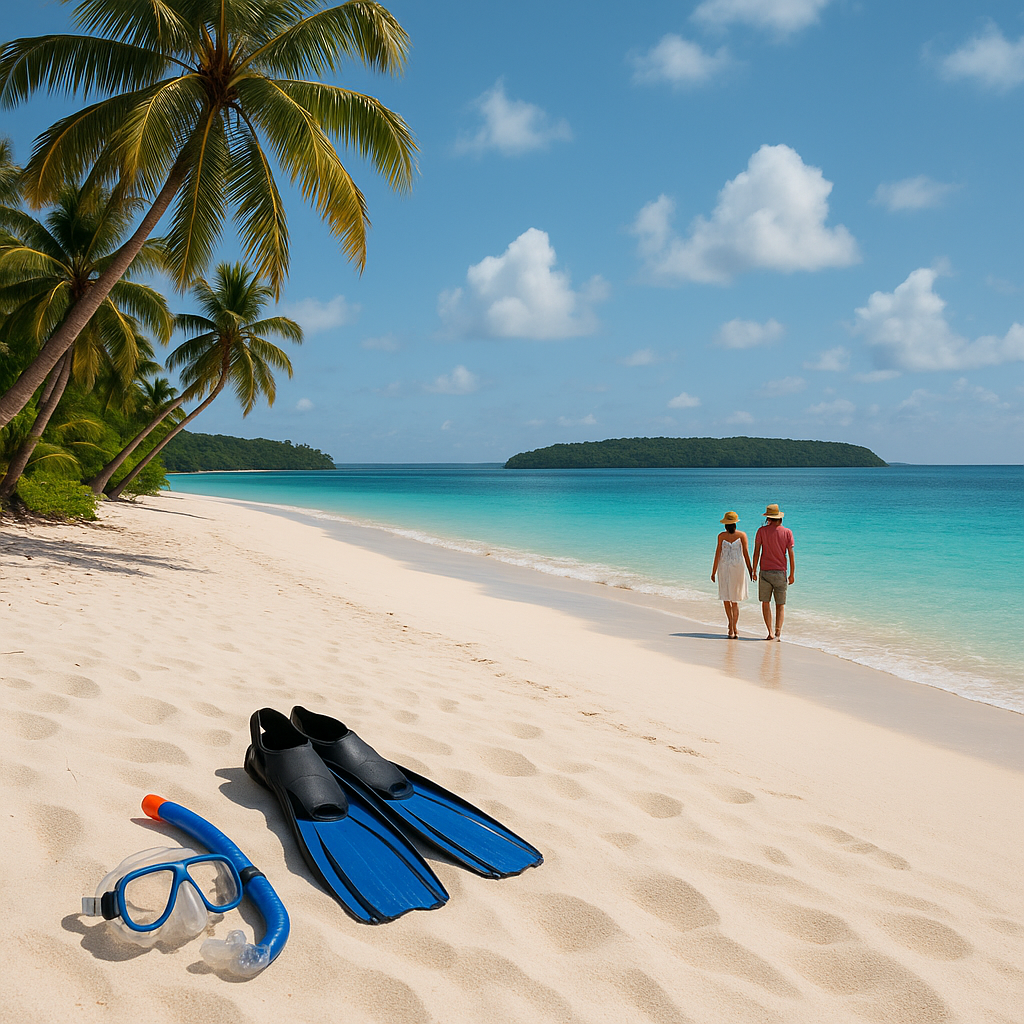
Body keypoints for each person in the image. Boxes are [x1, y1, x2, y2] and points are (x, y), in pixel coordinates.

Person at [751, 503, 795, 642]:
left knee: (765, 603)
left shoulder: (761, 531)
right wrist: (792, 573)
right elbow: (791, 554)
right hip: (780, 572)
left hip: (765, 571)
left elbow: (756, 551)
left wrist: (753, 569)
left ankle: (769, 632)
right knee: (780, 604)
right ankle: (778, 633)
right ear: (780, 518)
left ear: (768, 518)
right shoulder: (787, 532)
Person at [710, 511, 754, 639]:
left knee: (726, 598)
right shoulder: (742, 535)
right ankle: (734, 627)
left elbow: (717, 554)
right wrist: (751, 571)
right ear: (735, 523)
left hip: (724, 567)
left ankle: (731, 627)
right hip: (738, 568)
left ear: (725, 524)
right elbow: (746, 554)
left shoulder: (721, 536)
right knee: (734, 600)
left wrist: (713, 571)